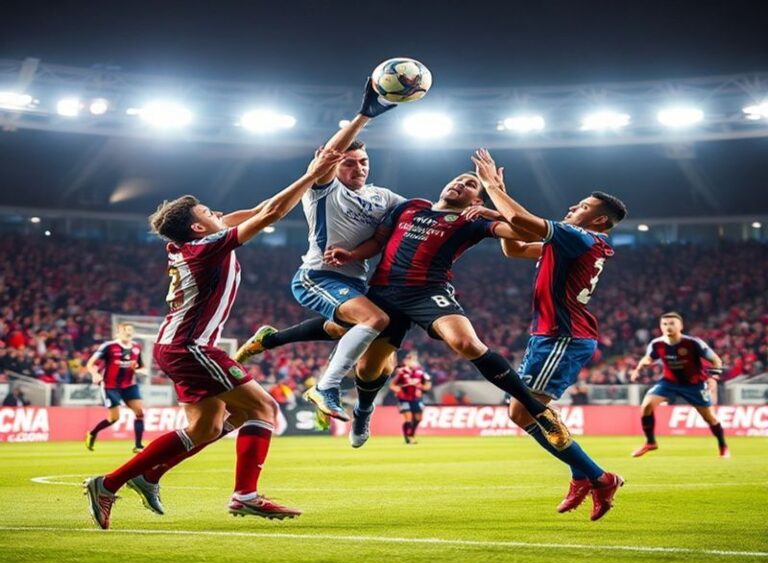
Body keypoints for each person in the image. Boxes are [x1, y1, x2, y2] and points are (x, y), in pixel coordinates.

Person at [82, 146, 344, 530]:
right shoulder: (208, 246)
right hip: (191, 347)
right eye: (208, 212)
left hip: (177, 345)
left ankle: (116, 482)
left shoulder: (193, 241)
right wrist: (312, 176)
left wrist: (314, 171)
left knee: (205, 427)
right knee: (264, 409)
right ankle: (246, 495)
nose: (217, 213)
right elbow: (271, 214)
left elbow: (263, 206)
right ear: (198, 228)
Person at [322, 169, 571, 453]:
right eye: (458, 179)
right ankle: (364, 412)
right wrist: (352, 254)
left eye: (470, 185)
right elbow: (377, 238)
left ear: (476, 201)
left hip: (428, 292)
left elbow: (527, 232)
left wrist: (495, 212)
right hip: (385, 292)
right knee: (367, 369)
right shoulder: (411, 206)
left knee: (467, 343)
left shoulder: (471, 222)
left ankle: (539, 411)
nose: (460, 184)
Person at [466, 148, 627, 521]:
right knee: (521, 413)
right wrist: (498, 211)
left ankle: (598, 477)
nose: (574, 206)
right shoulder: (575, 243)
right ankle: (586, 474)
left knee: (522, 411)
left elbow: (521, 218)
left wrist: (492, 186)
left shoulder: (578, 237)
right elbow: (515, 246)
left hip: (563, 335)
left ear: (599, 219)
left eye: (584, 205)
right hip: (550, 335)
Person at [235, 79, 403, 423]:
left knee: (359, 337)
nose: (359, 168)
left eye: (364, 162)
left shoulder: (382, 197)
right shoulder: (323, 190)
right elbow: (329, 156)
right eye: (350, 163)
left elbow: (421, 214)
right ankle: (325, 388)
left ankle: (271, 339)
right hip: (317, 276)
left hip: (356, 282)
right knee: (375, 320)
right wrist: (364, 116)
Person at [629, 312, 728, 458]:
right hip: (669, 382)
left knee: (710, 418)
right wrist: (638, 369)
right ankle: (650, 442)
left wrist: (713, 378)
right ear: (661, 327)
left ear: (680, 326)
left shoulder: (693, 343)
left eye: (672, 323)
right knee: (646, 406)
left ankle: (722, 445)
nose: (668, 327)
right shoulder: (657, 344)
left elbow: (716, 360)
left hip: (694, 384)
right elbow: (648, 358)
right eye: (665, 324)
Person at [85, 323, 146, 453]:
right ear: (118, 332)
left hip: (129, 385)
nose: (128, 332)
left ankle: (138, 445)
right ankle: (93, 433)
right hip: (110, 386)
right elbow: (90, 363)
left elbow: (140, 366)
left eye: (130, 330)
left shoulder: (136, 347)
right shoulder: (109, 346)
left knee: (139, 413)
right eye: (124, 330)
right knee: (114, 418)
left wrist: (139, 370)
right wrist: (95, 374)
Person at [389, 351, 432, 444]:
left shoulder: (421, 372)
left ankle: (411, 435)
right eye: (408, 359)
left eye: (411, 359)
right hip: (404, 398)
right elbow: (392, 385)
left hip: (416, 398)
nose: (410, 361)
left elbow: (428, 385)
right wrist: (398, 390)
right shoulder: (401, 372)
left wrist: (422, 389)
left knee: (418, 418)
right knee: (408, 418)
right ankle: (407, 438)